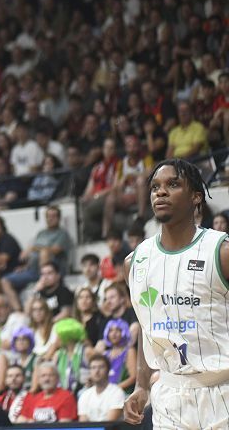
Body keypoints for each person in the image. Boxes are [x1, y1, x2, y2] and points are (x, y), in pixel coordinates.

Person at [125, 159, 229, 430]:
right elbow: (148, 330)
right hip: (169, 396)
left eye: (173, 184)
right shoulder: (135, 262)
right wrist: (141, 386)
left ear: (196, 197)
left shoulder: (221, 251)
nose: (160, 192)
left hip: (223, 390)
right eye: (155, 187)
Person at [77, 354, 125, 422]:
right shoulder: (84, 395)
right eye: (93, 367)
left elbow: (110, 424)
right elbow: (83, 424)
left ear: (108, 370)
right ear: (90, 371)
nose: (97, 371)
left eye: (101, 367)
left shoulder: (117, 392)